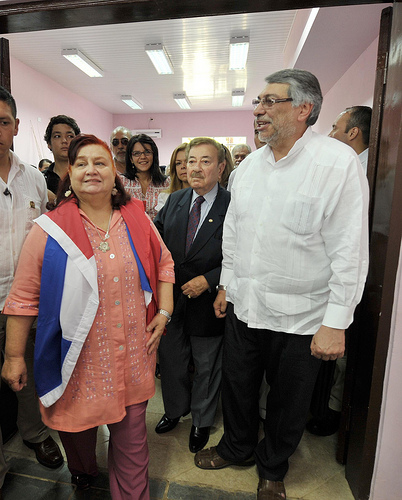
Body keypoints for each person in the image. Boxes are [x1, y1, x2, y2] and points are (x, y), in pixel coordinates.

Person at [194, 69, 369, 500]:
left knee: (289, 400)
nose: (258, 110)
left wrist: (336, 321)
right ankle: (236, 448)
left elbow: (350, 249)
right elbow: (233, 235)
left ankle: (273, 467)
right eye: (258, 102)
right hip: (246, 306)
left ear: (304, 108)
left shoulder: (337, 163)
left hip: (303, 315)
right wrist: (225, 286)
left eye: (271, 101)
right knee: (238, 387)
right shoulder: (248, 168)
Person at [1, 134, 174, 499]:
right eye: (81, 163)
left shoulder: (137, 219)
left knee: (132, 440)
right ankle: (82, 470)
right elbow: (23, 299)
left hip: (132, 355)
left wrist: (164, 310)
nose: (91, 170)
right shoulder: (49, 230)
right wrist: (14, 356)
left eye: (100, 162)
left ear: (115, 174)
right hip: (77, 360)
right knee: (77, 431)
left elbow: (164, 263)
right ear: (70, 175)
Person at [0, 86, 63, 497]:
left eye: (3, 122)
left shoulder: (35, 179)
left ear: (16, 126)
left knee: (27, 375)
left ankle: (34, 433)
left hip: (24, 304)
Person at [153, 137, 230, 454]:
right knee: (172, 361)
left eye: (205, 161)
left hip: (209, 301)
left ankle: (201, 420)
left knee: (206, 366)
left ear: (221, 168)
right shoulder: (175, 200)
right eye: (190, 161)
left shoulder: (233, 205)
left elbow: (243, 255)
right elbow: (156, 242)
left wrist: (210, 280)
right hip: (171, 298)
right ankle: (174, 411)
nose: (195, 168)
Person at [306, 105, 373, 437]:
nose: (330, 134)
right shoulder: (345, 165)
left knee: (344, 352)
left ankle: (333, 413)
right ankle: (325, 407)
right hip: (330, 276)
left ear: (353, 132)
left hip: (354, 277)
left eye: (336, 127)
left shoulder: (367, 170)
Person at [121, 134, 170, 220]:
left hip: (159, 228)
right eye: (137, 153)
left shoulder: (167, 183)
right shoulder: (121, 182)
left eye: (147, 152)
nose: (143, 157)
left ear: (154, 155)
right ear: (131, 158)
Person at [329, 105, 372, 174]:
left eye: (335, 128)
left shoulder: (367, 170)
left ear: (352, 133)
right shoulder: (351, 165)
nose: (329, 135)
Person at [43, 115, 80, 194]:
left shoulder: (86, 175)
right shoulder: (41, 179)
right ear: (49, 143)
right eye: (57, 136)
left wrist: (55, 199)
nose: (64, 141)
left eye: (70, 136)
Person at [155, 143, 189, 212]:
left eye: (187, 162)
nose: (183, 166)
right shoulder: (165, 196)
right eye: (178, 163)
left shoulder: (203, 196)